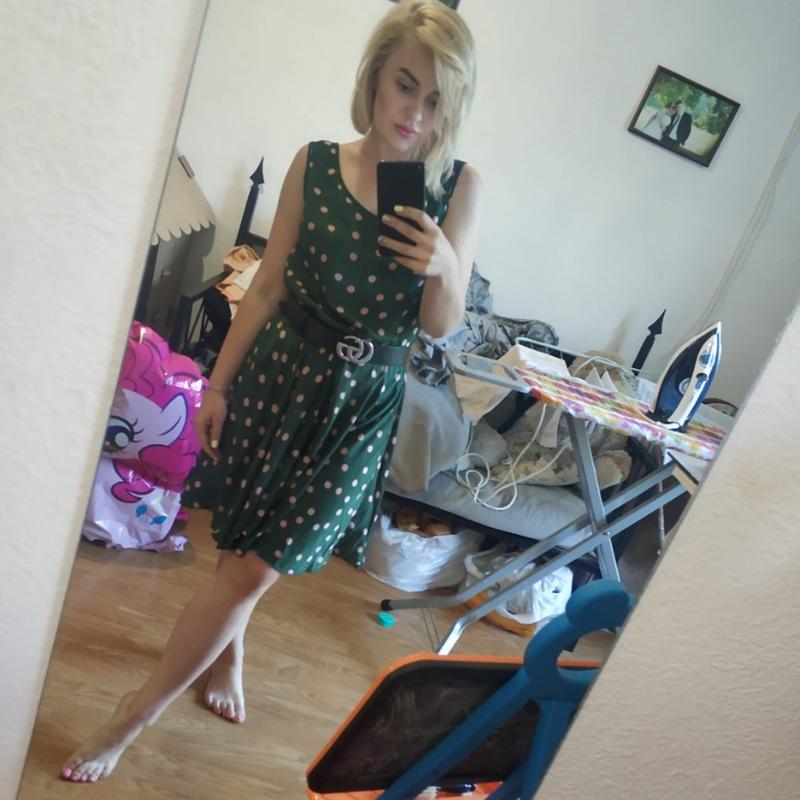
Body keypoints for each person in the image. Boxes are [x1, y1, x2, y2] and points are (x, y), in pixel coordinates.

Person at [61, 0, 480, 784]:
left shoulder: (457, 188)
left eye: (435, 101)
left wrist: (445, 266)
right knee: (241, 544)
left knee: (258, 567)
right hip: (282, 371)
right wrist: (217, 384)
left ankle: (132, 714)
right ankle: (226, 655)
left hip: (359, 404)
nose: (415, 115)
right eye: (404, 85)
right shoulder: (315, 164)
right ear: (376, 74)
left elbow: (439, 326)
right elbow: (265, 287)